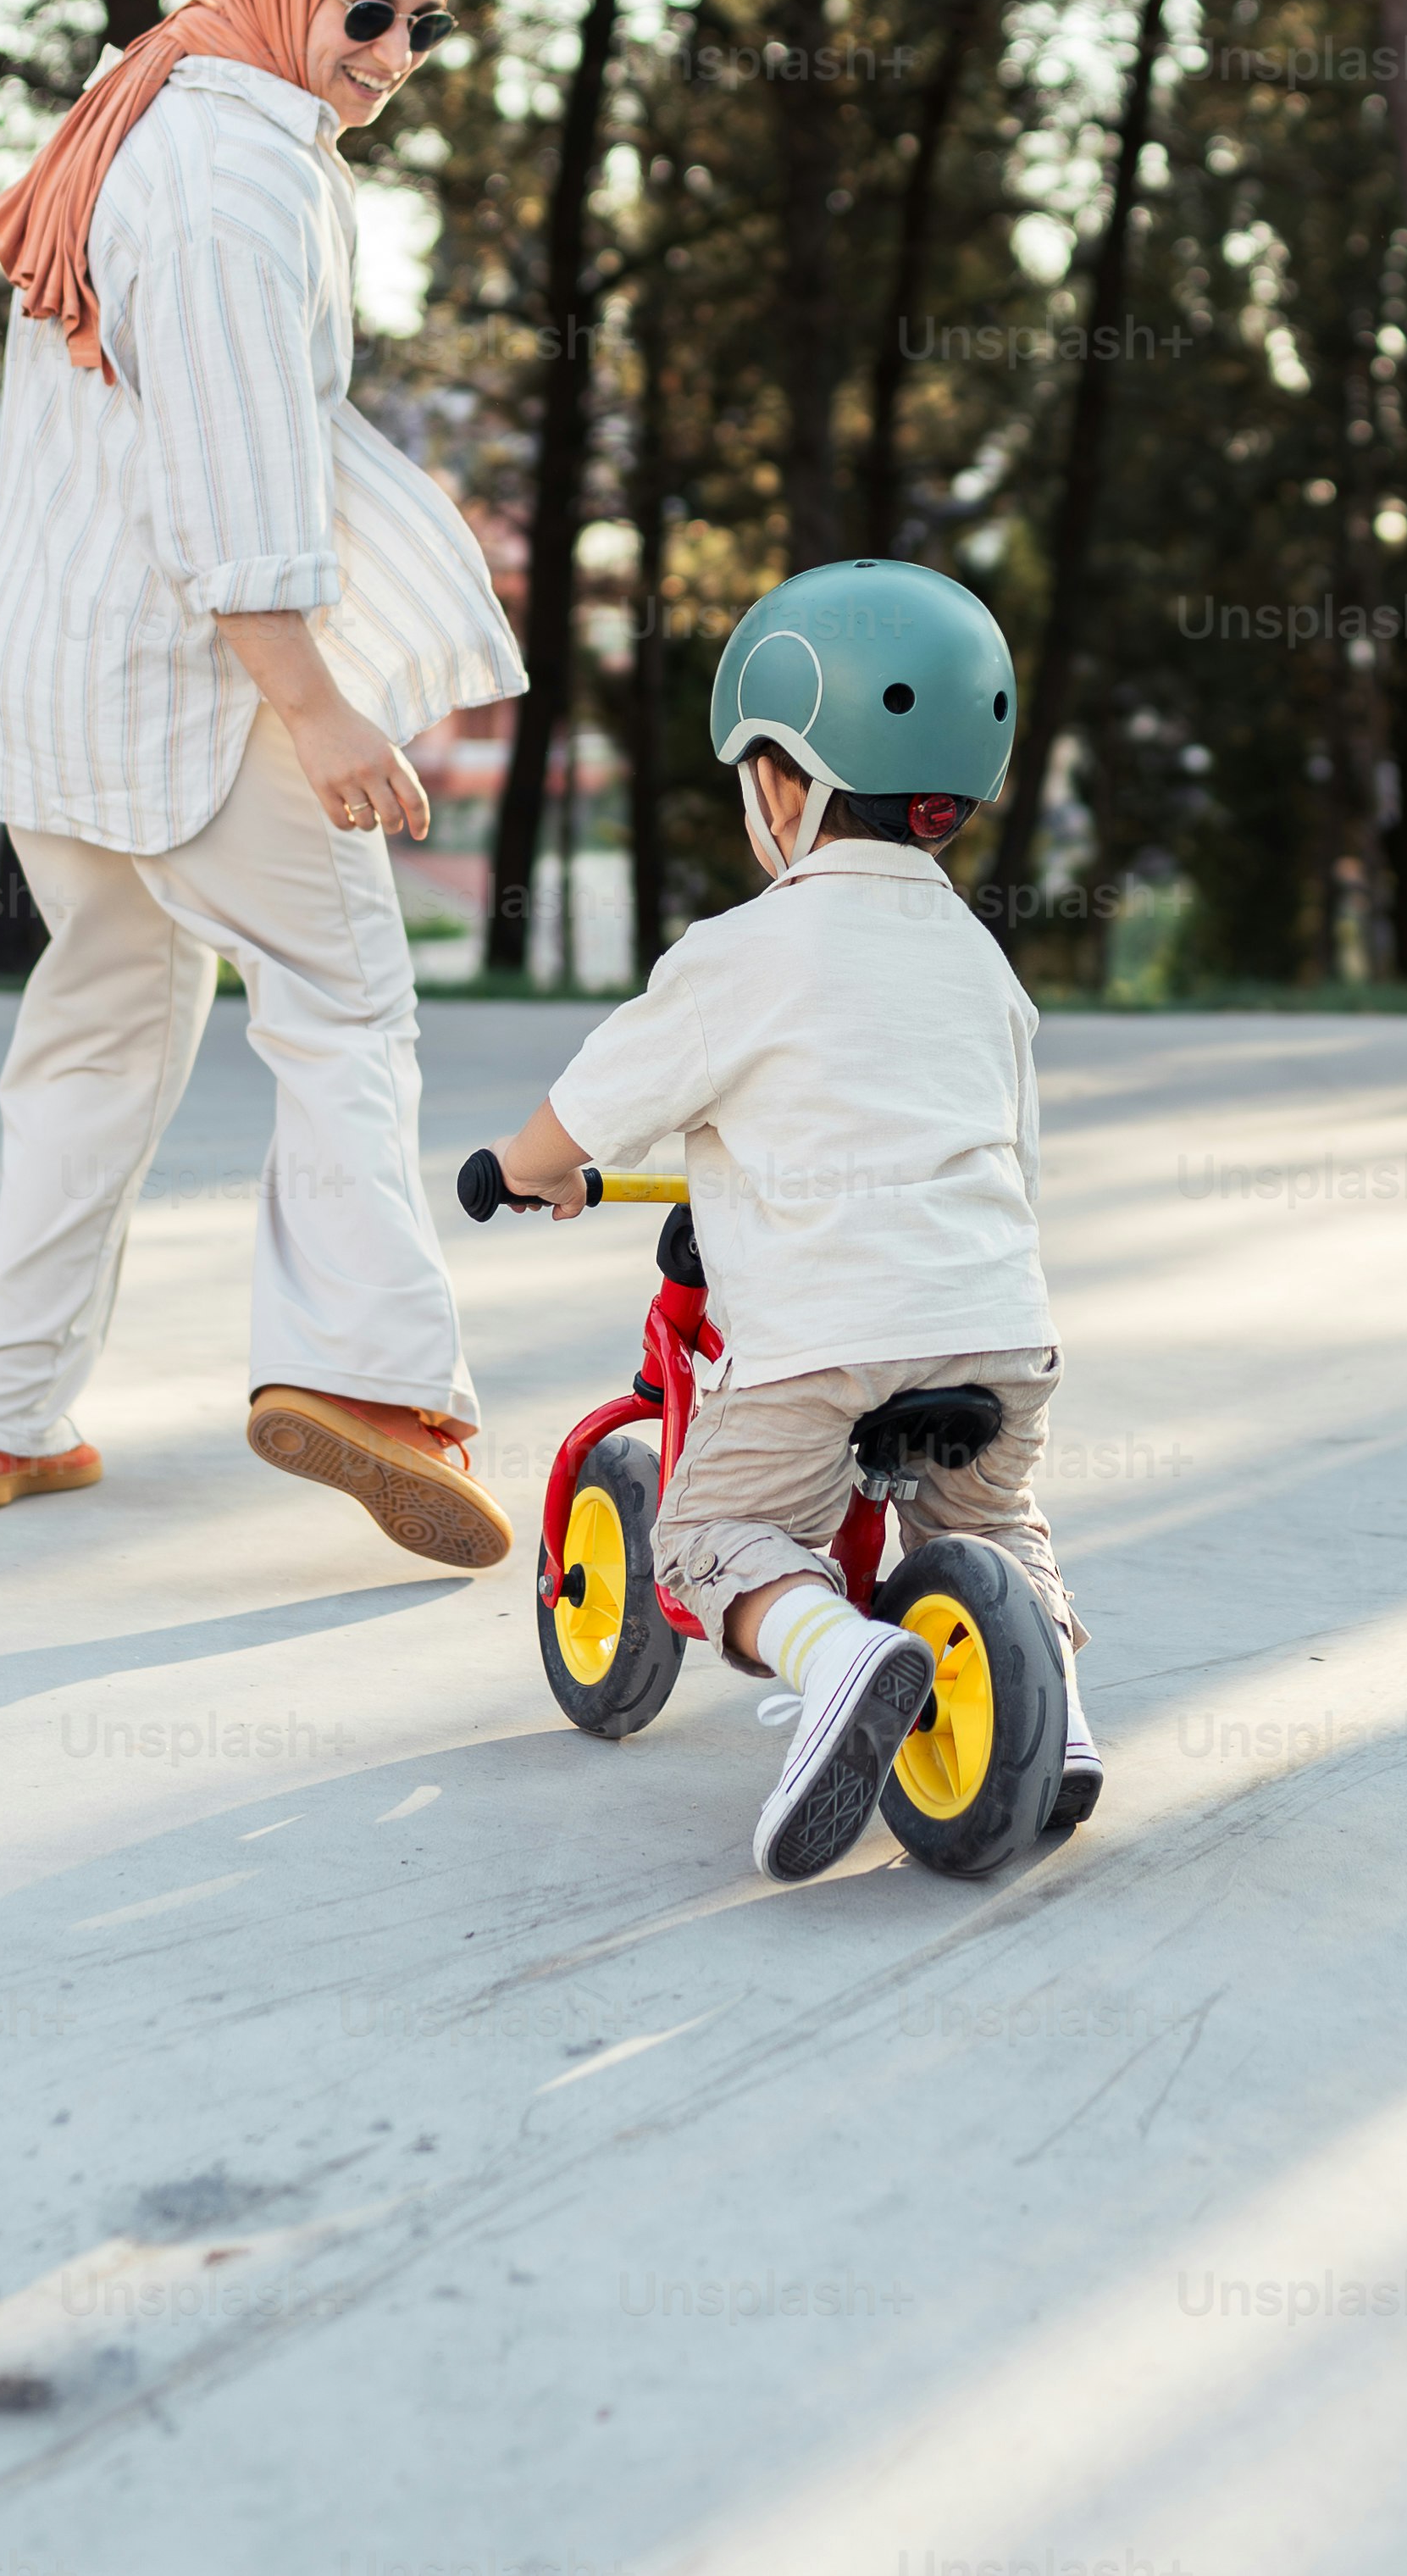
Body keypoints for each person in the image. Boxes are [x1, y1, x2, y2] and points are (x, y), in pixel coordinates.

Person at [0, 0, 523, 1568]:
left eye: (426, 25)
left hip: (62, 686)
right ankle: (370, 1380)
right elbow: (234, 480)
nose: (394, 54)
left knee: (103, 1035)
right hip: (191, 692)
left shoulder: (154, 95)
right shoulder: (230, 176)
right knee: (345, 1008)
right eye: (367, 11)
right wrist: (321, 711)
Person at [474, 558, 1100, 1879]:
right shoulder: (980, 964)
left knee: (705, 1539)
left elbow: (584, 1114)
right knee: (987, 1525)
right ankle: (1055, 1717)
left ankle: (837, 1653)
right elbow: (1013, 1155)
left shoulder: (741, 951)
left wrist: (527, 1170)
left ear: (782, 778)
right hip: (999, 1329)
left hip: (832, 1340)